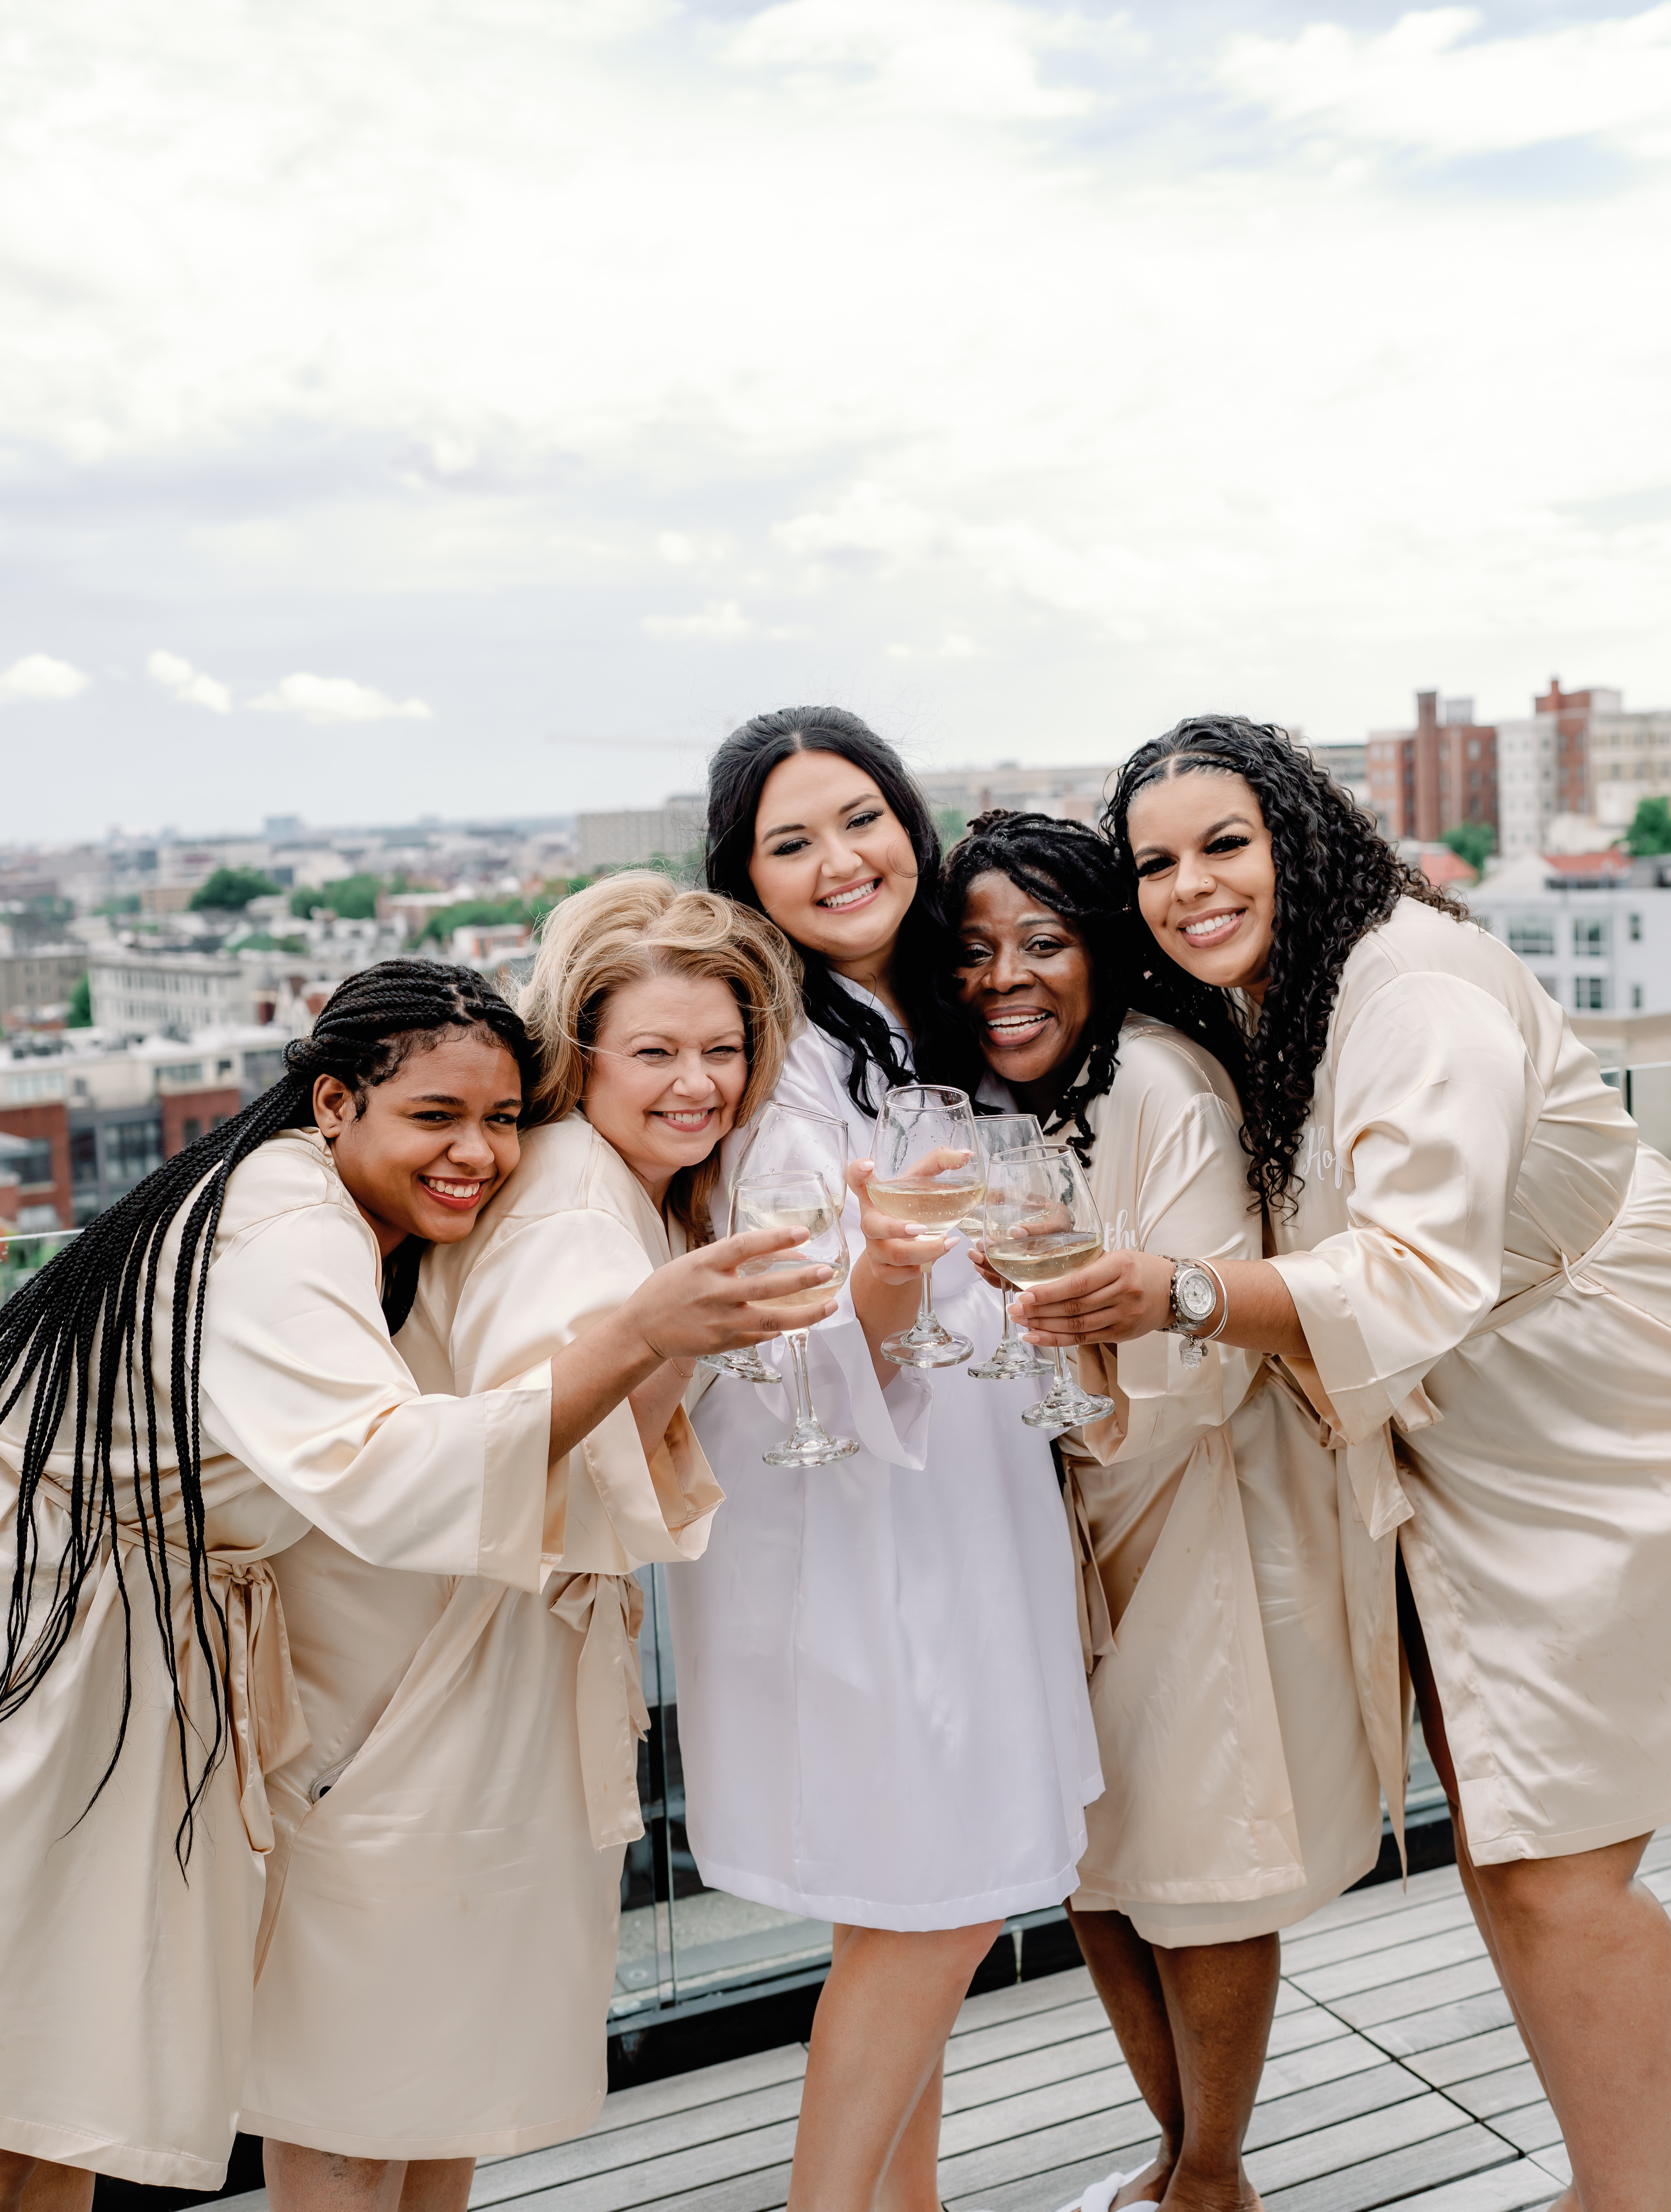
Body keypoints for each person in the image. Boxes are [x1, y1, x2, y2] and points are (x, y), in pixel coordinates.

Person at [1016, 715, 1671, 2212]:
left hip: (1578, 1419)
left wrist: (1176, 1293)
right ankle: (1614, 2178)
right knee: (1509, 1829)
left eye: (1223, 845)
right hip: (1467, 1424)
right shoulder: (1283, 992)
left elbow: (1412, 1270)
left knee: (1553, 1853)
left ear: (1300, 837)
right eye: (1155, 864)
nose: (1189, 888)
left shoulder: (1410, 988)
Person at [244, 875, 821, 2212]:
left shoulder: (622, 1186)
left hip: (465, 1663)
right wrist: (674, 1347)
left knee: (434, 2064)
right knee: (356, 2078)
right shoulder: (572, 1195)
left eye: (724, 1050)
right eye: (658, 1053)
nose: (699, 1085)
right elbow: (537, 1442)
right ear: (586, 1053)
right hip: (426, 1674)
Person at [0, 962, 559, 2207]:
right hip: (58, 1626)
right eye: (436, 1117)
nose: (480, 1151)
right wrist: (639, 1341)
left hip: (116, 1614)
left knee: (53, 2068)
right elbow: (377, 1478)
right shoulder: (286, 1225)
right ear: (334, 1104)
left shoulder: (301, 1203)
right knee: (35, 2058)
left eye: (507, 1120)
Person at [666, 708, 1099, 2212]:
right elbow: (779, 1321)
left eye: (860, 820)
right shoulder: (772, 1061)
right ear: (746, 879)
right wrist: (893, 1286)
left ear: (911, 824)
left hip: (968, 1500)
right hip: (860, 1524)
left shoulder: (933, 1016)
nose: (841, 860)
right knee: (927, 1909)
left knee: (938, 1905)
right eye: (792, 842)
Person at [947, 809, 1380, 2212]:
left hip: (1199, 1515)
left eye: (1042, 943)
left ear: (1106, 955)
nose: (1003, 977)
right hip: (1065, 1530)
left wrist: (1045, 1389)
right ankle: (1180, 2163)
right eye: (970, 952)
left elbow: (1193, 1359)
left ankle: (1210, 2176)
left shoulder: (1157, 1083)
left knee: (1203, 1865)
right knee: (1095, 1863)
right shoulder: (992, 1099)